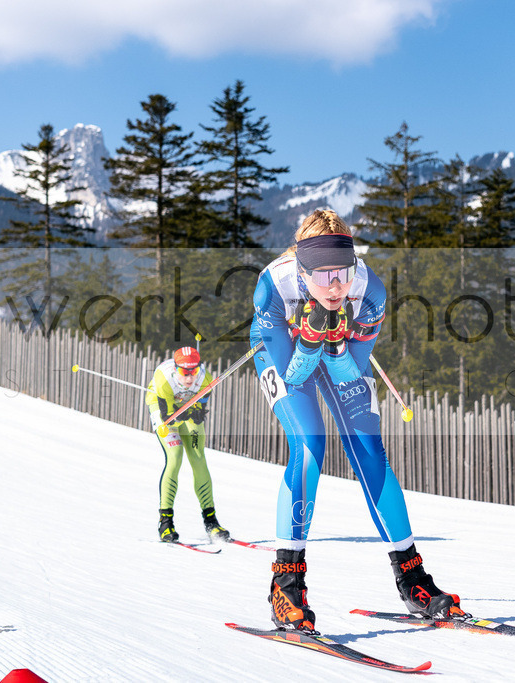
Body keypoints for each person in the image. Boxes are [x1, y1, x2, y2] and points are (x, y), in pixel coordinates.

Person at [249, 208, 465, 632]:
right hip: (281, 350)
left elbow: (351, 370)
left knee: (369, 449)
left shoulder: (369, 291)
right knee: (310, 446)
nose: (336, 286)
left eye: (343, 273)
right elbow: (293, 373)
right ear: (301, 267)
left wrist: (333, 342)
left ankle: (413, 579)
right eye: (323, 275)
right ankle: (286, 584)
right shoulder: (272, 288)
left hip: (337, 351)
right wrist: (311, 337)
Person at [145, 346, 230, 543]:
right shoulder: (164, 378)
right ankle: (165, 523)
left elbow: (199, 412)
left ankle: (211, 522)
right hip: (162, 409)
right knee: (175, 457)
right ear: (176, 369)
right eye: (185, 372)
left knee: (198, 457)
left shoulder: (206, 378)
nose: (190, 377)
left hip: (187, 406)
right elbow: (169, 417)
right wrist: (185, 413)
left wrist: (197, 412)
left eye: (194, 370)